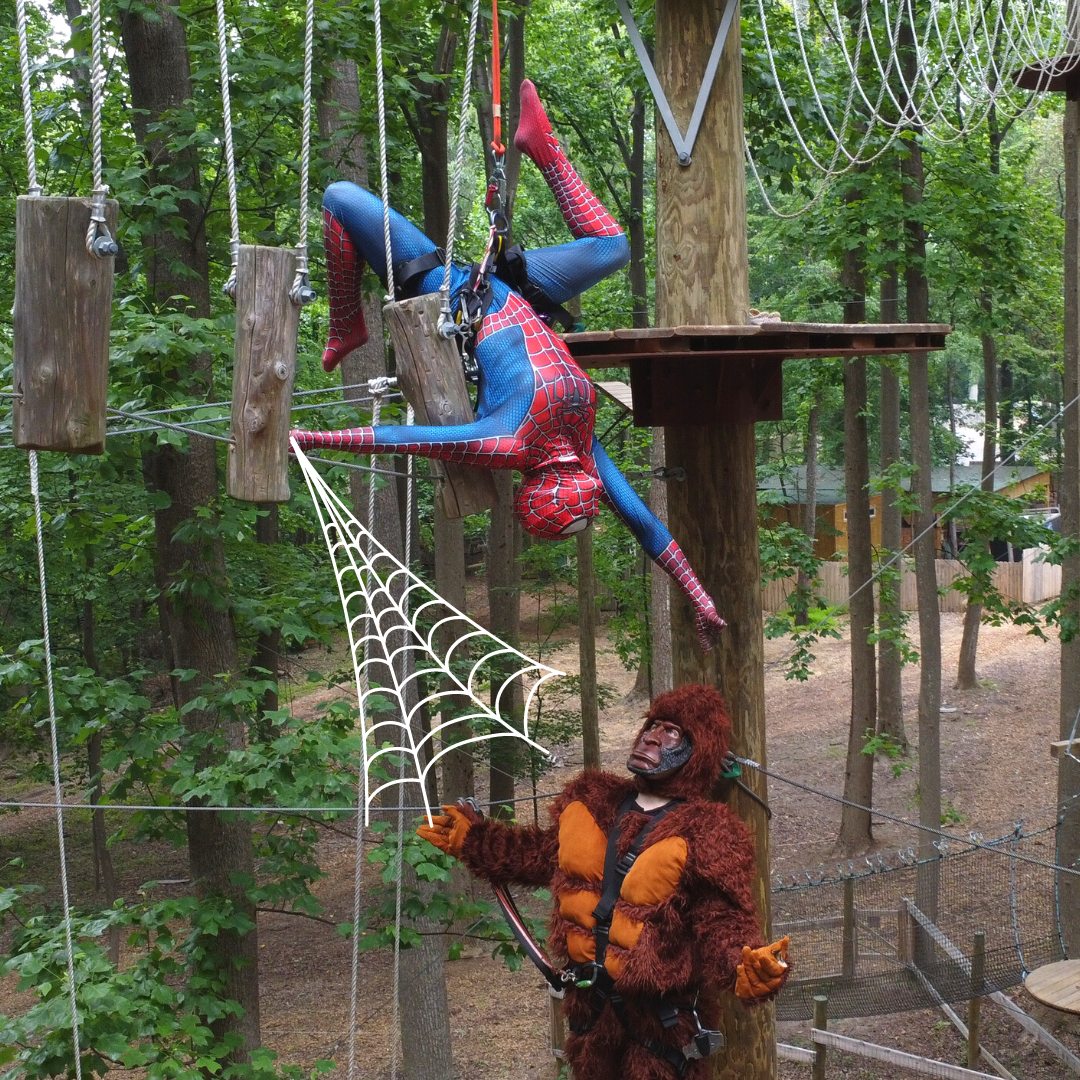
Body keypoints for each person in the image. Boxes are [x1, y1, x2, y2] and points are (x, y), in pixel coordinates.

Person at [289, 81, 725, 650]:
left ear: (581, 481)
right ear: (529, 491)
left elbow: (643, 521)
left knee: (612, 246)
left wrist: (699, 594)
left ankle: (543, 148)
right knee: (339, 197)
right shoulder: (508, 446)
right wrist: (315, 438)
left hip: (506, 293)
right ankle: (348, 321)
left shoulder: (584, 443)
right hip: (463, 290)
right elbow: (402, 437)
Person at [417, 684, 790, 1080]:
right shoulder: (593, 799)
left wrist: (744, 967)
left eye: (672, 733)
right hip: (589, 1017)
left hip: (662, 1026)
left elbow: (721, 918)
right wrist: (474, 840)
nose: (651, 736)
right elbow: (539, 855)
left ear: (696, 752)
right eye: (653, 725)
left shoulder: (709, 830)